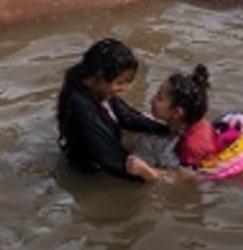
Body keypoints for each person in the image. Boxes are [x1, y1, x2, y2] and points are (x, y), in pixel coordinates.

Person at [56, 38, 171, 181]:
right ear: (99, 77)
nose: (123, 88)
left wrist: (167, 129)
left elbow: (126, 117)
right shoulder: (81, 107)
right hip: (93, 175)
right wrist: (154, 174)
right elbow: (114, 161)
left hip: (102, 152)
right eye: (120, 82)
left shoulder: (94, 87)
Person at [149, 64, 221, 167]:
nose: (152, 99)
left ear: (177, 112)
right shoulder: (194, 122)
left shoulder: (191, 147)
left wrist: (147, 172)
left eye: (159, 98)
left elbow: (186, 179)